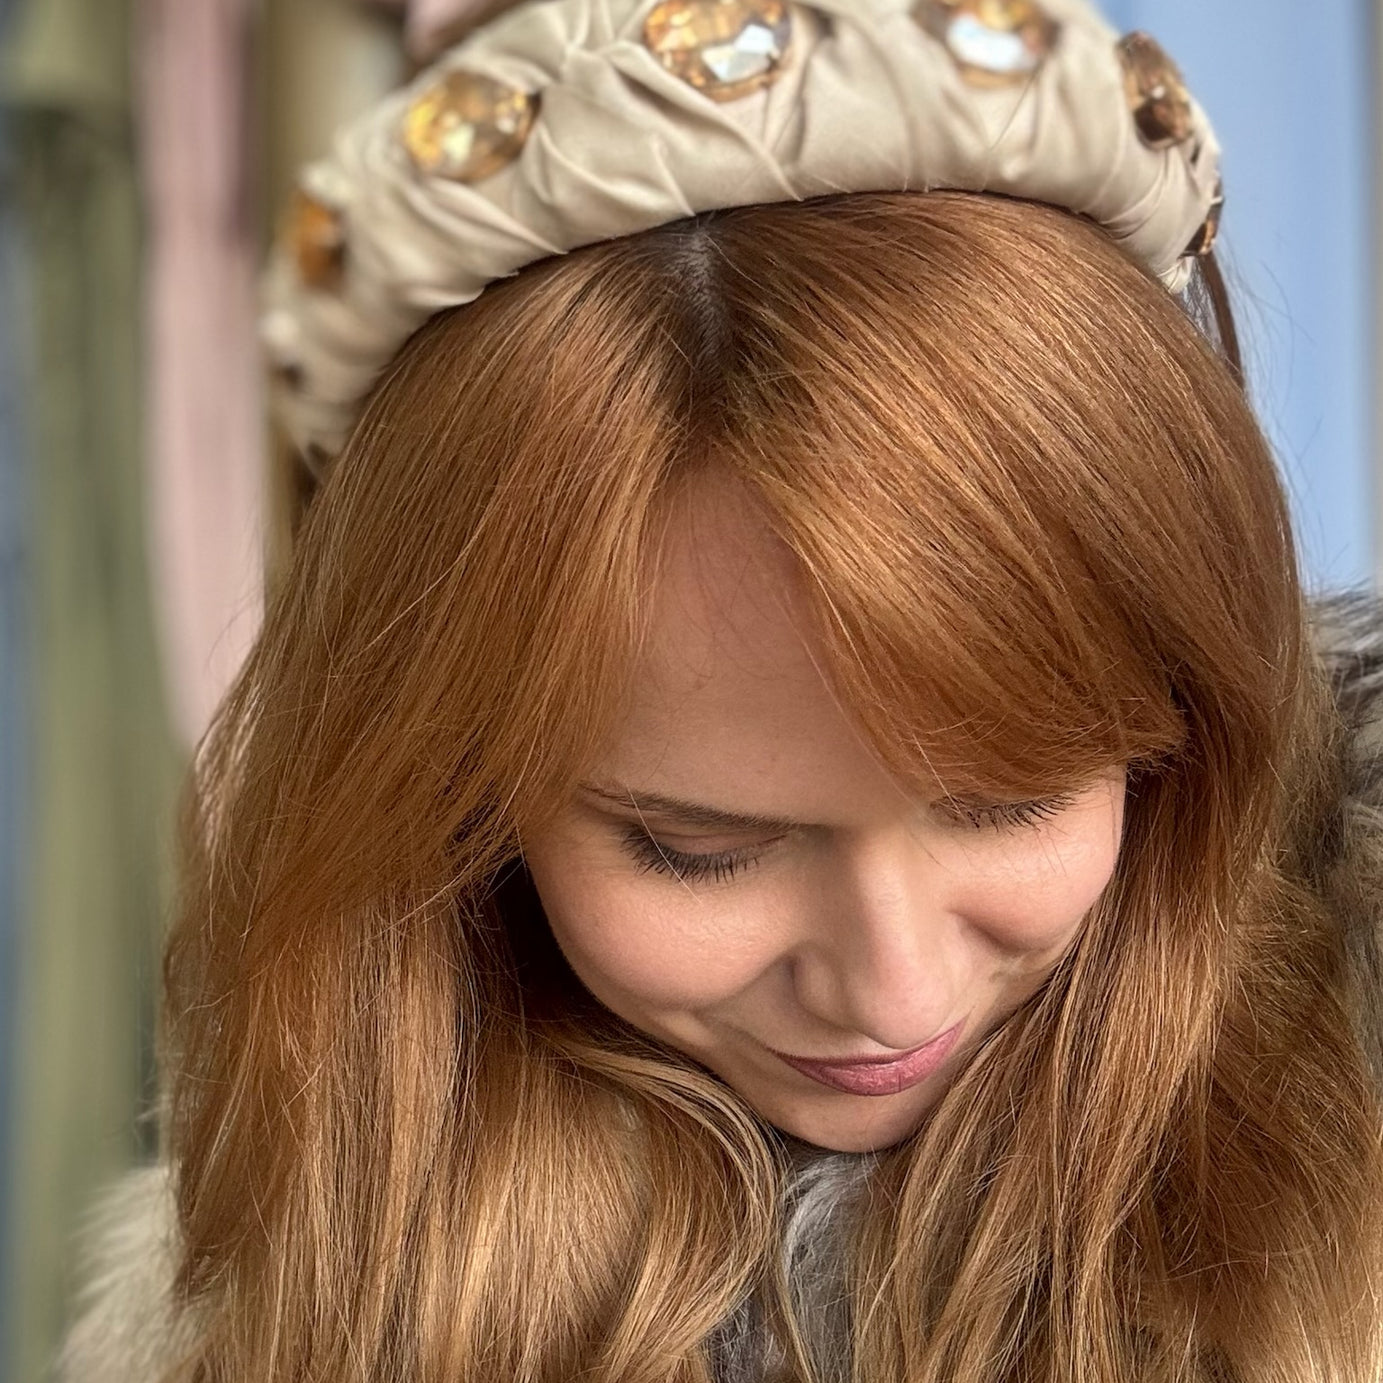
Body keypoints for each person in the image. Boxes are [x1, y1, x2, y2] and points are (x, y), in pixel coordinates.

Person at [56, 1, 1383, 1379]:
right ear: (458, 805)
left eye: (1007, 804)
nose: (891, 988)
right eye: (701, 850)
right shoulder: (272, 1307)